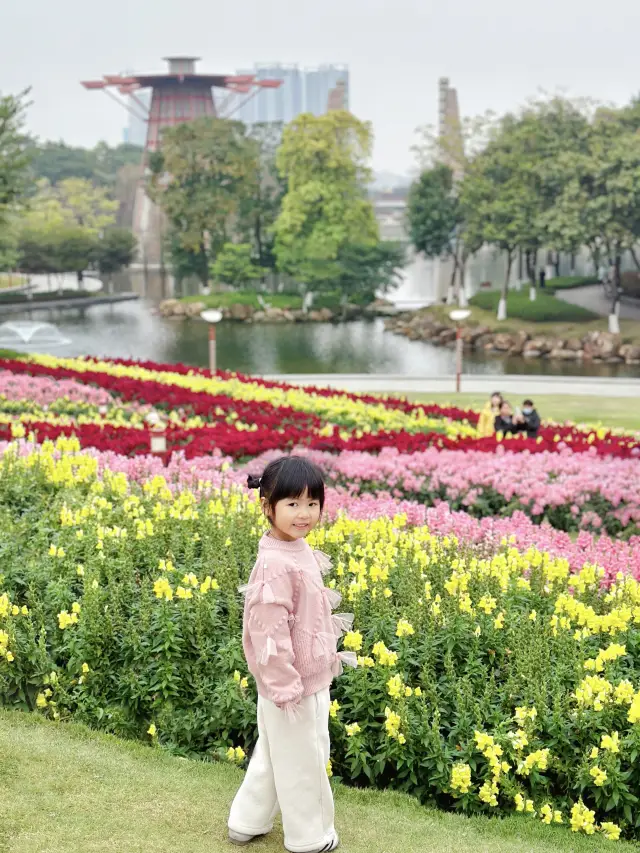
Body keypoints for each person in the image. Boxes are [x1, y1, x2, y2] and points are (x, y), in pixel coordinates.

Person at [228, 456, 354, 853]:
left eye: (312, 504)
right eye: (292, 504)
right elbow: (268, 631)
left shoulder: (295, 548)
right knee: (305, 761)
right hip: (292, 686)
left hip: (303, 679)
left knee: (274, 751)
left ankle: (246, 821)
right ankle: (310, 838)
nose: (305, 514)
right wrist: (285, 687)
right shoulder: (275, 564)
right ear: (268, 506)